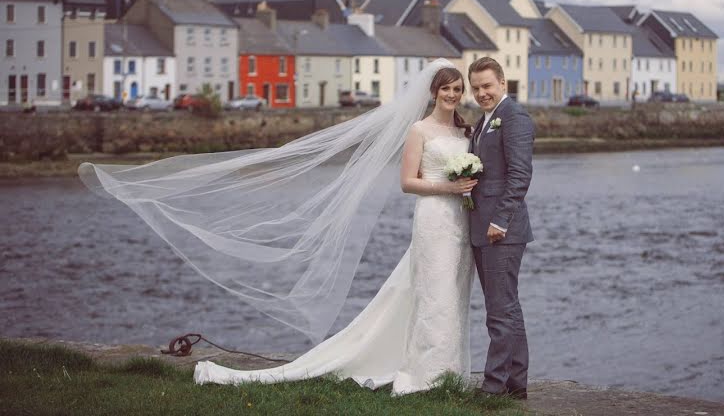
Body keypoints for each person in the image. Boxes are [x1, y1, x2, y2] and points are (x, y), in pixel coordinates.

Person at [78, 60, 480, 395]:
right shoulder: (419, 131)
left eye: (457, 88)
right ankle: (428, 377)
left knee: (452, 293)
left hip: (458, 222)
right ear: (432, 92)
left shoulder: (464, 130)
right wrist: (449, 186)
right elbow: (407, 182)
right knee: (434, 294)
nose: (452, 94)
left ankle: (449, 371)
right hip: (432, 218)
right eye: (445, 88)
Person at [467, 57, 535, 399]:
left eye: (487, 86)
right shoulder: (484, 122)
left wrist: (500, 220)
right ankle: (516, 383)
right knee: (507, 306)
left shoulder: (514, 117)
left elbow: (520, 175)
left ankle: (493, 386)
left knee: (499, 311)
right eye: (476, 87)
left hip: (501, 230)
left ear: (503, 84)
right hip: (483, 225)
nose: (481, 93)